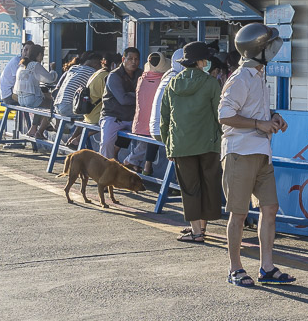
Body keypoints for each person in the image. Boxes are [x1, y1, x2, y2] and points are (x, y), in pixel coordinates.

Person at [218, 24, 294, 287]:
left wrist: (271, 117)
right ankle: (235, 268)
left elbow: (251, 111)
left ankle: (267, 267)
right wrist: (258, 124)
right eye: (270, 46)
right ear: (258, 49)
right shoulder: (240, 78)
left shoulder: (258, 76)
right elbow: (224, 114)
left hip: (261, 151)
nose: (274, 51)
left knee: (269, 208)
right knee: (238, 213)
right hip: (240, 152)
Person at [159, 41, 224, 244]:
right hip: (208, 143)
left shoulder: (172, 84)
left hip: (181, 144)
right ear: (200, 62)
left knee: (189, 188)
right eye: (206, 59)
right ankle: (202, 227)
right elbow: (219, 115)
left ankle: (196, 231)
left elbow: (165, 119)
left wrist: (168, 144)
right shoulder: (211, 83)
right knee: (209, 185)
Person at [125, 51, 170, 172]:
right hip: (155, 118)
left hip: (141, 118)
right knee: (151, 141)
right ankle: (138, 163)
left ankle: (134, 162)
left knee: (144, 144)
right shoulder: (164, 80)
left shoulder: (142, 78)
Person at [100, 47, 141, 159]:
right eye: (130, 58)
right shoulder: (114, 75)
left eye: (136, 59)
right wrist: (137, 96)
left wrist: (131, 95)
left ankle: (131, 162)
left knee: (148, 139)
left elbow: (146, 96)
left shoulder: (141, 74)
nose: (133, 62)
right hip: (113, 116)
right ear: (123, 59)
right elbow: (122, 99)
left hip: (132, 118)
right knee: (106, 142)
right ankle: (104, 168)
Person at [15, 45, 57, 137]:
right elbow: (50, 79)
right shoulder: (35, 65)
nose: (42, 58)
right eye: (42, 55)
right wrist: (53, 69)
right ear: (38, 55)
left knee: (43, 102)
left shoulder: (23, 65)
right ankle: (40, 131)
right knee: (51, 105)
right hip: (31, 100)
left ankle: (33, 129)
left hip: (21, 100)